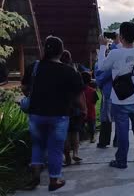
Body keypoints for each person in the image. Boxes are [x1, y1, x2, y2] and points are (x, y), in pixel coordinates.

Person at [21, 36, 84, 191]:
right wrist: (83, 109)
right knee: (55, 148)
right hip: (59, 115)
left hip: (36, 114)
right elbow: (77, 94)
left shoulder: (34, 67)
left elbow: (24, 87)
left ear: (45, 50)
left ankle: (35, 176)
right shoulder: (68, 71)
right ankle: (54, 180)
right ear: (61, 52)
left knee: (38, 145)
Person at [97, 22, 134, 169]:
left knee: (122, 131)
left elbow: (101, 67)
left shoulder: (114, 53)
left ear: (122, 36)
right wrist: (120, 42)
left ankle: (121, 160)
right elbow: (126, 54)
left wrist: (103, 46)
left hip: (120, 100)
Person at [61, 50, 86, 166]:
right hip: (75, 107)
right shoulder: (75, 72)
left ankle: (67, 157)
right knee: (75, 132)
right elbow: (81, 93)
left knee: (64, 133)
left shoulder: (57, 72)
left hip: (61, 108)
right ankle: (75, 153)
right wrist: (83, 108)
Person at [95, 40, 119, 149]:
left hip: (108, 91)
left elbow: (100, 75)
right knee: (119, 117)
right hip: (120, 92)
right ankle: (117, 140)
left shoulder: (107, 62)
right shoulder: (122, 59)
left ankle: (104, 141)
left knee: (106, 117)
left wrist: (100, 84)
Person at [81, 72, 99, 143]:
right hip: (91, 111)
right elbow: (95, 101)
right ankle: (92, 137)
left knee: (80, 125)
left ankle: (81, 137)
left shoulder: (79, 90)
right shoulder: (92, 91)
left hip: (81, 111)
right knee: (92, 125)